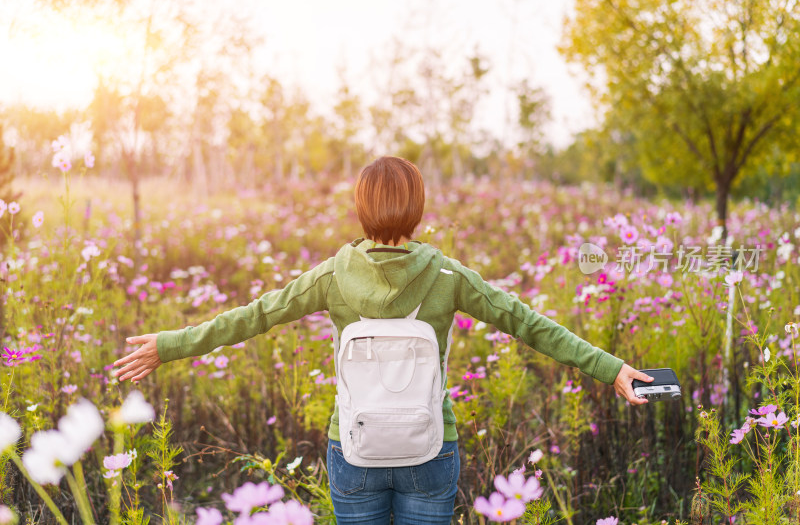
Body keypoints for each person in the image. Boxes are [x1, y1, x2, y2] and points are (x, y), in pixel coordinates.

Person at [112, 156, 654, 524]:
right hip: (429, 445)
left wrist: (171, 344)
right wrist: (612, 368)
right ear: (417, 209)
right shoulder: (447, 277)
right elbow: (532, 325)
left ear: (362, 208)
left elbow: (253, 317)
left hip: (354, 446)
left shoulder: (331, 275)